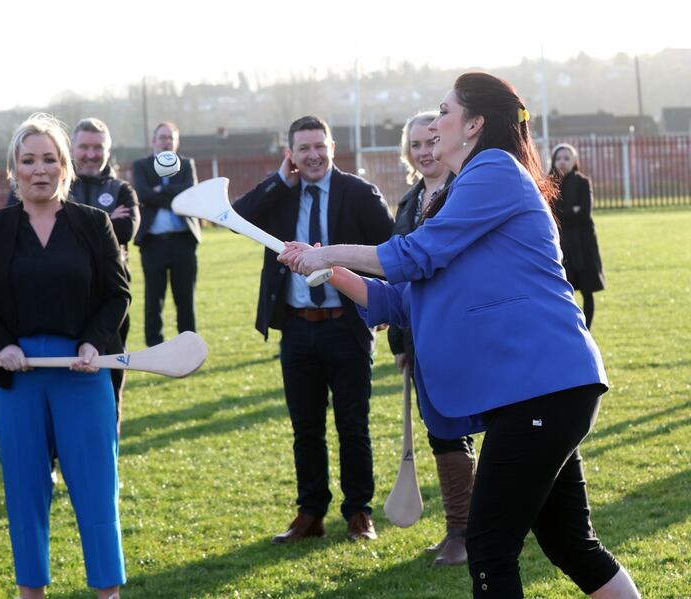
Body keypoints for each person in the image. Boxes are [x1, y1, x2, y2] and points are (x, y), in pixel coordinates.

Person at [279, 74, 640, 598]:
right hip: (537, 390)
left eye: (445, 112)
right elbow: (401, 300)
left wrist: (328, 252)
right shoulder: (458, 193)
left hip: (542, 385)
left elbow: (411, 258)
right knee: (568, 544)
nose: (435, 120)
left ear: (473, 126)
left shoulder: (493, 171)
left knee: (490, 545)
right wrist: (323, 268)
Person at [0, 113, 129, 599]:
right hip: (19, 378)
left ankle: (107, 592)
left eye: (50, 159)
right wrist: (3, 347)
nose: (40, 169)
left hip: (83, 373)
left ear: (66, 167)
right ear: (13, 168)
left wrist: (93, 342)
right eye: (29, 160)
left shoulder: (93, 224)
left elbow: (116, 294)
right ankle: (30, 592)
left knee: (97, 490)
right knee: (25, 493)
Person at [232, 115, 394, 544]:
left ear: (333, 147)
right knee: (306, 428)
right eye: (303, 148)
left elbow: (392, 250)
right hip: (298, 330)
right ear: (291, 155)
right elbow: (237, 217)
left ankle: (358, 513)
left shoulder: (358, 193)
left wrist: (380, 300)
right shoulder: (281, 196)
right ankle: (310, 514)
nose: (313, 155)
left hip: (348, 327)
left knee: (353, 425)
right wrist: (276, 182)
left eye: (319, 146)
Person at [388, 110, 474, 567]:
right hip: (421, 339)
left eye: (431, 142)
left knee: (461, 430)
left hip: (463, 335)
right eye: (415, 145)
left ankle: (467, 532)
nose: (424, 152)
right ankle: (458, 528)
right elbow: (398, 275)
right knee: (440, 432)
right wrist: (400, 345)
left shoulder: (464, 193)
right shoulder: (408, 203)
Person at [70, 117, 140, 426]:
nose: (90, 154)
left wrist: (73, 225)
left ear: (107, 150)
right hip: (64, 300)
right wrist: (105, 220)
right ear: (71, 148)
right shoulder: (57, 184)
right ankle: (56, 460)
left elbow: (127, 229)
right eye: (84, 146)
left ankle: (108, 461)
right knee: (63, 381)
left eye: (98, 147)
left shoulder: (121, 189)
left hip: (112, 302)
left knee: (110, 384)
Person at [132, 121, 201, 347]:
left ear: (176, 142)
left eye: (170, 137)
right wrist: (173, 196)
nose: (166, 141)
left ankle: (188, 344)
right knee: (154, 299)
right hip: (153, 243)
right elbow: (143, 194)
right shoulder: (141, 166)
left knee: (185, 299)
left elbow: (190, 193)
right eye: (162, 137)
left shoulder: (187, 165)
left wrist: (160, 191)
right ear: (153, 141)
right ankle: (155, 345)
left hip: (183, 241)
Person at [550, 143, 605, 329]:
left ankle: (587, 328)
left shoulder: (583, 182)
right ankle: (570, 328)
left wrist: (565, 213)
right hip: (562, 244)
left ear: (574, 161)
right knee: (565, 290)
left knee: (587, 291)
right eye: (559, 158)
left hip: (583, 243)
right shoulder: (549, 185)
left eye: (567, 158)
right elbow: (551, 215)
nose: (562, 162)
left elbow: (584, 214)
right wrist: (570, 211)